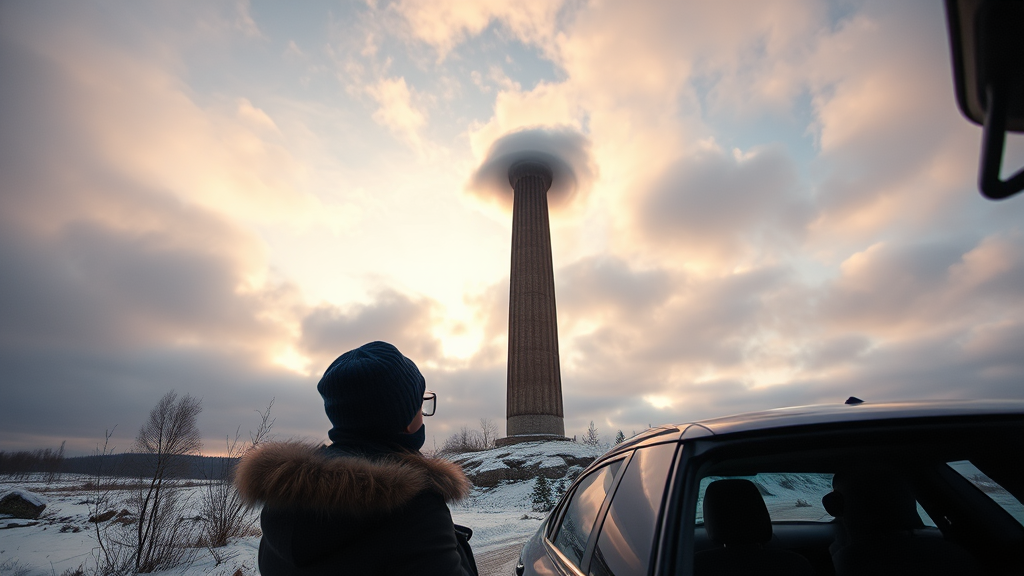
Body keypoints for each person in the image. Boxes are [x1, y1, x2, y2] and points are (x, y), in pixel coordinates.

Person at [235, 341, 477, 575]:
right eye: (420, 404)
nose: (423, 415)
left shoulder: (283, 500)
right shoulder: (414, 509)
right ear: (404, 421)